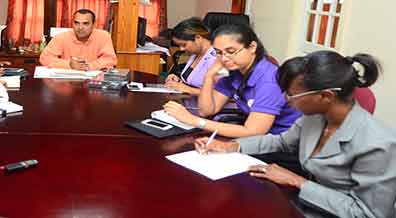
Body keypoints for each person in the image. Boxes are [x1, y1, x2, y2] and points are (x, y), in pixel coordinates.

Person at [194, 51, 396, 218]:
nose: (285, 99)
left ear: (326, 96)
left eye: (291, 94)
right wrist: (232, 146)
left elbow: (369, 214)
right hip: (304, 204)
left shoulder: (379, 143)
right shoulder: (315, 117)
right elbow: (281, 142)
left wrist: (298, 182)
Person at [164, 23, 301, 138]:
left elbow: (254, 132)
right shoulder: (234, 72)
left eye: (230, 51)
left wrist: (193, 121)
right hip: (258, 136)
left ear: (252, 47)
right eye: (218, 52)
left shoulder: (270, 80)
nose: (224, 58)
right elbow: (207, 110)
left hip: (281, 142)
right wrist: (209, 76)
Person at [39, 9, 117, 71]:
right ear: (72, 23)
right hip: (66, 82)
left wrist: (88, 66)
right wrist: (69, 64)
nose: (80, 28)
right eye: (76, 23)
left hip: (93, 82)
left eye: (85, 23)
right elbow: (44, 58)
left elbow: (110, 59)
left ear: (93, 25)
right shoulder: (61, 37)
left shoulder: (103, 36)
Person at [164, 17, 217, 95]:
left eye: (184, 44)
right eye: (179, 45)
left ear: (198, 38)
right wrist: (178, 80)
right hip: (187, 102)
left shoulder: (217, 58)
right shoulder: (195, 54)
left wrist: (188, 89)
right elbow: (192, 82)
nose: (181, 49)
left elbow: (224, 95)